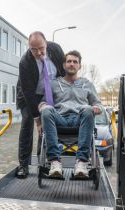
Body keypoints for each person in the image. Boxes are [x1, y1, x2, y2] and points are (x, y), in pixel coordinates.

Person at [39, 50, 102, 178]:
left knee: (87, 108)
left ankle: (82, 163)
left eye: (75, 62)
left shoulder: (87, 84)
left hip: (79, 120)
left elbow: (98, 104)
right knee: (47, 110)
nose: (72, 64)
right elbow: (43, 103)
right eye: (69, 61)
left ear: (79, 66)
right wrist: (43, 106)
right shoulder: (54, 84)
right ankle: (55, 162)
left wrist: (96, 107)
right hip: (60, 119)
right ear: (64, 65)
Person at [16, 31, 65, 179]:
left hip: (49, 93)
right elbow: (28, 92)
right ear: (29, 47)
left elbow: (63, 73)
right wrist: (36, 119)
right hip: (28, 96)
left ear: (46, 43)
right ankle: (23, 165)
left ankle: (42, 163)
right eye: (33, 49)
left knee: (46, 126)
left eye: (41, 48)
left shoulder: (56, 50)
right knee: (27, 124)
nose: (38, 52)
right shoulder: (25, 62)